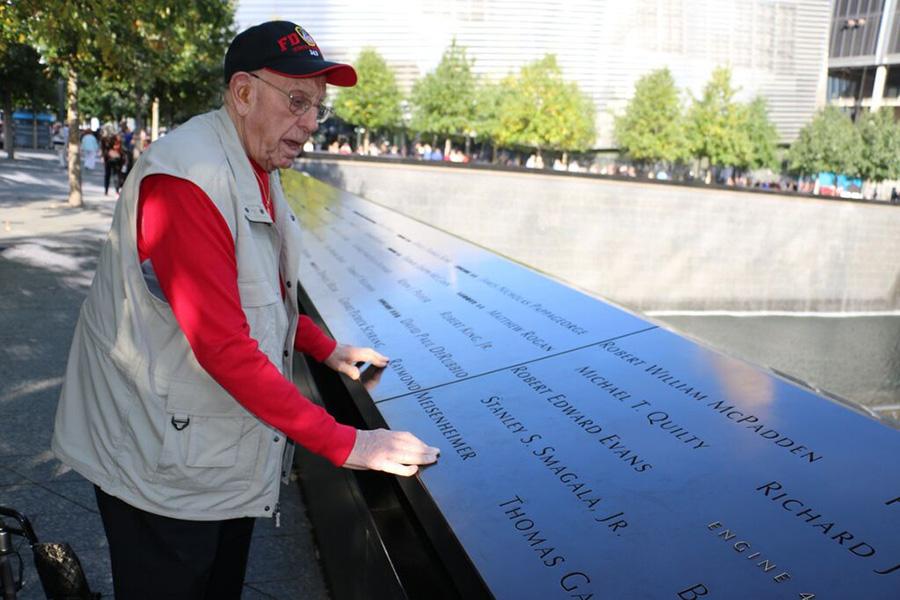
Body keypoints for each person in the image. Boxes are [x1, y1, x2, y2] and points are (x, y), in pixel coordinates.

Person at [51, 21, 439, 599]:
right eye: (298, 102)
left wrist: (324, 347)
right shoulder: (190, 180)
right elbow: (223, 345)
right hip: (158, 464)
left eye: (317, 109)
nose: (310, 123)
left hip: (202, 455)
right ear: (243, 92)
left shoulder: (254, 163)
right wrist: (350, 443)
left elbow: (260, 294)